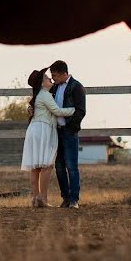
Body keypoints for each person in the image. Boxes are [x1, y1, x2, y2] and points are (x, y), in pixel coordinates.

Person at [21, 68, 75, 208]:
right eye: (46, 78)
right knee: (47, 164)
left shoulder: (40, 95)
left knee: (36, 166)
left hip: (35, 129)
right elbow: (57, 111)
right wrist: (74, 110)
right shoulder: (44, 95)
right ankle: (43, 198)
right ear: (41, 83)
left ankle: (36, 199)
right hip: (43, 129)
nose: (50, 79)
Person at [48, 60, 86, 208]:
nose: (53, 78)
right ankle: (65, 197)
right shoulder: (55, 87)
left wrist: (71, 128)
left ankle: (74, 199)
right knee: (59, 166)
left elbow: (80, 111)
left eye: (55, 75)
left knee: (71, 166)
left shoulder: (77, 87)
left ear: (64, 74)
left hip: (69, 132)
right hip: (56, 132)